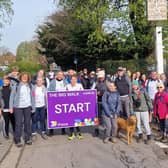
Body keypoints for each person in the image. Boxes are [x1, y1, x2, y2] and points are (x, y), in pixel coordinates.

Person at [9, 72, 35, 147]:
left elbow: (33, 97)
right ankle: (17, 140)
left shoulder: (31, 86)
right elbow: (12, 97)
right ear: (20, 77)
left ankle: (27, 138)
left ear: (28, 78)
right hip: (18, 107)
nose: (25, 78)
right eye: (23, 76)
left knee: (27, 123)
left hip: (27, 106)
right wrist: (11, 107)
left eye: (26, 77)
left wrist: (33, 107)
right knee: (18, 123)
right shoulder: (16, 86)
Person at [48, 70, 67, 136]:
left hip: (63, 101)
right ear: (56, 75)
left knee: (63, 116)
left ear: (63, 76)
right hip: (54, 101)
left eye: (61, 74)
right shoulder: (52, 82)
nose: (60, 76)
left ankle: (63, 129)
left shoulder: (65, 82)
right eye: (59, 74)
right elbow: (49, 91)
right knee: (53, 116)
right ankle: (51, 130)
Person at [66, 75, 84, 140]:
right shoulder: (67, 86)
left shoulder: (79, 85)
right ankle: (71, 134)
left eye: (75, 79)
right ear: (70, 80)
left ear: (76, 80)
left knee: (77, 120)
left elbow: (83, 94)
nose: (73, 81)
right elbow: (64, 95)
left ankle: (79, 133)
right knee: (71, 120)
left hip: (77, 105)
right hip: (70, 105)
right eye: (72, 79)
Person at [95, 70, 107, 136]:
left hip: (105, 101)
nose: (100, 78)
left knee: (105, 116)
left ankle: (106, 129)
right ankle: (96, 129)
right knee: (97, 116)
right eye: (100, 77)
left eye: (101, 77)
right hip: (98, 101)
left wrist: (102, 93)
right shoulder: (96, 82)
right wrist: (96, 93)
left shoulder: (107, 82)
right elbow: (93, 90)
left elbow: (110, 90)